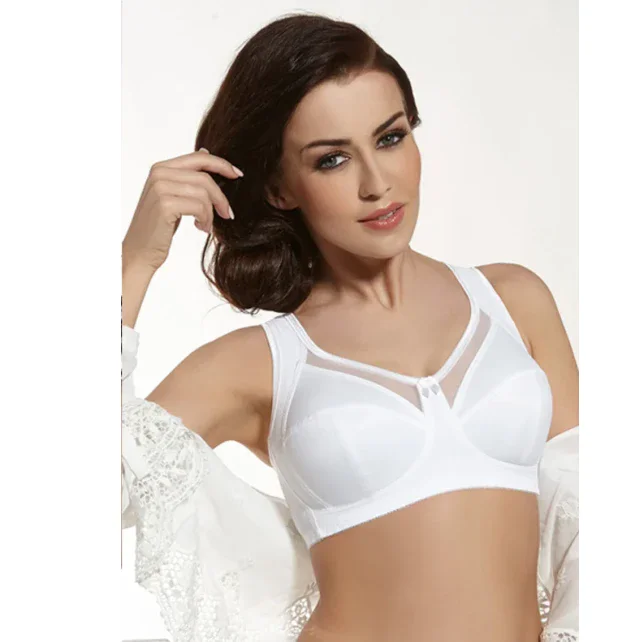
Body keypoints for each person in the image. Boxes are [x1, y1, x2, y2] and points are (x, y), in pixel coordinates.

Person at [121, 12, 579, 642]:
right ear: (280, 188)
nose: (377, 183)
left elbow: (587, 510)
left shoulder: (513, 299)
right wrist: (134, 263)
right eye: (332, 159)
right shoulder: (260, 363)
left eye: (390, 138)